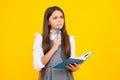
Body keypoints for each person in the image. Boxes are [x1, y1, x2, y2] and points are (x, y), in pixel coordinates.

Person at [33, 6, 80, 80]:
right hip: (48, 76)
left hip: (65, 76)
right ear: (48, 22)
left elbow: (71, 61)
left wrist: (75, 68)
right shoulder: (40, 38)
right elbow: (38, 66)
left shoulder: (70, 39)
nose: (59, 20)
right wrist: (54, 47)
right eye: (55, 18)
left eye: (61, 17)